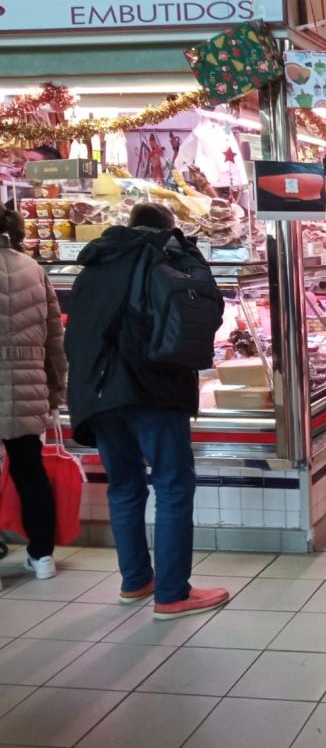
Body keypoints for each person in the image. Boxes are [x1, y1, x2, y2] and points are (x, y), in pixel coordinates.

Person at [65, 203, 229, 619]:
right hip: (152, 388)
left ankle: (136, 580)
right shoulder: (166, 257)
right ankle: (173, 592)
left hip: (97, 392)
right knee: (173, 486)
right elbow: (203, 312)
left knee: (124, 486)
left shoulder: (95, 263)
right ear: (166, 228)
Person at [0, 209, 66, 582]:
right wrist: (56, 389)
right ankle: (42, 558)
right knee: (30, 472)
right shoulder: (32, 268)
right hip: (28, 382)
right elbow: (54, 337)